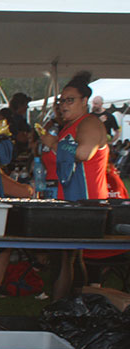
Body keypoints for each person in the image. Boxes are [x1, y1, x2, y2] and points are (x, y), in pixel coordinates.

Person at [39, 71, 110, 299]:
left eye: (69, 100)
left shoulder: (88, 123)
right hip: (68, 201)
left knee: (63, 256)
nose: (63, 105)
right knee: (69, 256)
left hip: (84, 202)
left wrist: (53, 143)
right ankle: (74, 307)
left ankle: (59, 309)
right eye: (61, 101)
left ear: (84, 101)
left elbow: (83, 153)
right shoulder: (69, 125)